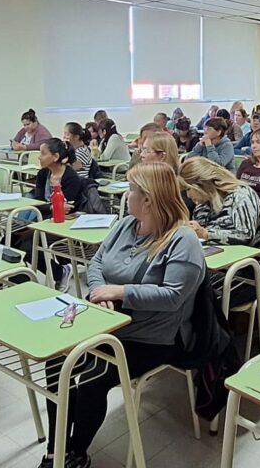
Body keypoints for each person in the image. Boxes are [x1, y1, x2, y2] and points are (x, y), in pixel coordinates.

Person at [40, 162, 204, 468]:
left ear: (149, 199)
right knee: (56, 361)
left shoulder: (183, 240)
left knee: (91, 377)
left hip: (152, 337)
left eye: (131, 190)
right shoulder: (127, 224)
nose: (125, 196)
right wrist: (99, 291)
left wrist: (120, 292)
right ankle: (55, 447)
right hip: (109, 323)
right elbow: (97, 261)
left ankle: (75, 452)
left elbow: (172, 296)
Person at [180, 157, 260, 306]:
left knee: (203, 302)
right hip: (221, 268)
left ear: (203, 184)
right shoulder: (202, 204)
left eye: (189, 189)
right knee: (182, 292)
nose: (188, 195)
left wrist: (206, 233)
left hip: (256, 271)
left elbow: (245, 235)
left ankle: (217, 329)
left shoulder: (241, 195)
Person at [15, 139, 82, 284]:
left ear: (55, 157)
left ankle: (60, 272)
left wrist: (50, 208)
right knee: (10, 239)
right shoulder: (43, 174)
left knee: (28, 247)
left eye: (43, 153)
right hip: (43, 218)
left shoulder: (71, 177)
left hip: (63, 224)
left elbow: (68, 209)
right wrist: (52, 207)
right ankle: (18, 281)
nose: (39, 157)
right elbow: (37, 202)